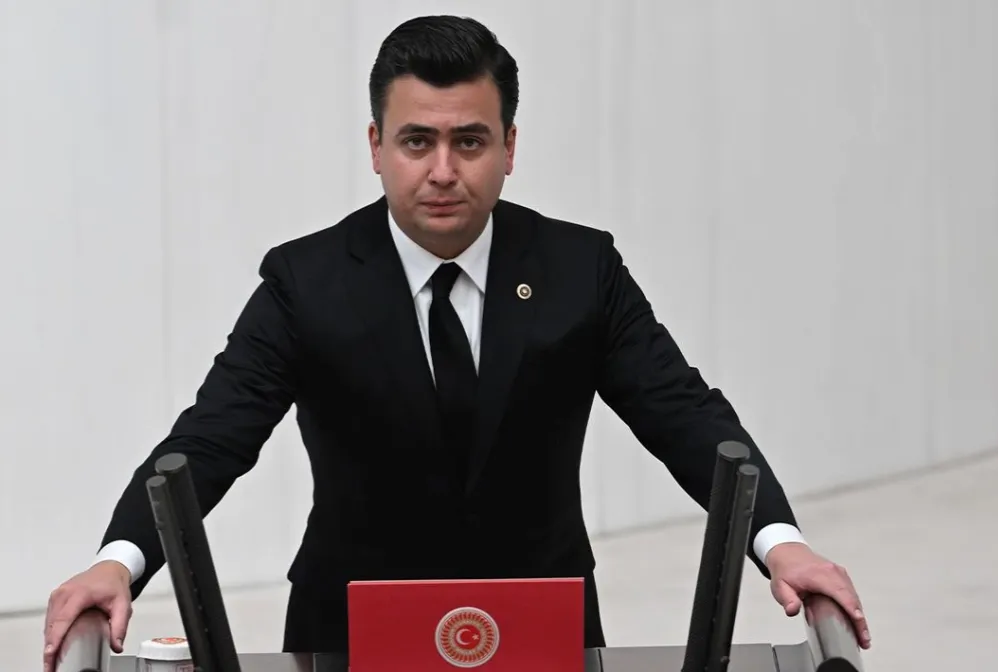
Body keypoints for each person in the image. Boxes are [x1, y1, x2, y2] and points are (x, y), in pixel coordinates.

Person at [42, 14, 871, 670]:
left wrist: (781, 543)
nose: (443, 170)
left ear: (509, 147)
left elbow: (682, 411)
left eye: (469, 141)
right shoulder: (306, 281)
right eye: (417, 141)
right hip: (347, 635)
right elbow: (213, 434)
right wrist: (119, 560)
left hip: (542, 629)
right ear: (377, 148)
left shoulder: (580, 269)